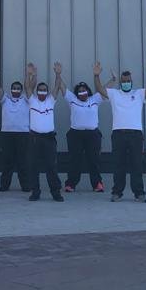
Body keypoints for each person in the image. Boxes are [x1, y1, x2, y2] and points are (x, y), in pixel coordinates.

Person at [93, 60, 146, 202]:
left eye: (128, 81)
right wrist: (96, 76)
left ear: (131, 81)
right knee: (118, 164)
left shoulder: (139, 93)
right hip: (118, 134)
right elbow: (99, 89)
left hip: (135, 134)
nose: (126, 83)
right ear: (120, 82)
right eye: (123, 81)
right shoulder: (114, 94)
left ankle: (139, 193)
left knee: (137, 165)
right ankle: (117, 192)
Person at [54, 61, 104, 193]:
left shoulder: (95, 99)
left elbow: (105, 89)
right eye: (80, 91)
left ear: (88, 91)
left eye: (85, 90)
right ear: (77, 93)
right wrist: (58, 74)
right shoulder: (72, 99)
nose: (83, 93)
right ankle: (71, 184)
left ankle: (97, 183)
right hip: (75, 134)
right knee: (74, 160)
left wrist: (110, 78)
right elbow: (61, 86)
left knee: (94, 160)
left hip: (93, 134)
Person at [26, 62, 64, 202]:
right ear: (37, 91)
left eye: (44, 90)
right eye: (40, 90)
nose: (42, 91)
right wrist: (29, 74)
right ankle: (35, 192)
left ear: (47, 92)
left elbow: (57, 86)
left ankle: (56, 192)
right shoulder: (32, 101)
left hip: (49, 139)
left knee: (51, 167)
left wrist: (58, 74)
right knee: (33, 166)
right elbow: (27, 87)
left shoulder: (51, 100)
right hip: (34, 139)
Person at [0, 72, 31, 192]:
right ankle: (4, 185)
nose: (15, 90)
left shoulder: (26, 100)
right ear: (10, 90)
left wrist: (30, 75)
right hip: (7, 134)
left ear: (21, 90)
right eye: (14, 88)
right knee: (7, 161)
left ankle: (26, 186)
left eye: (18, 88)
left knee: (23, 161)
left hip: (23, 134)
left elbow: (30, 87)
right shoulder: (5, 99)